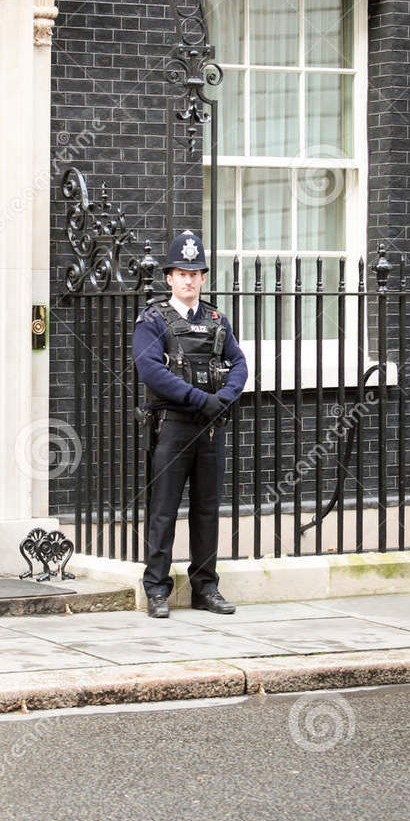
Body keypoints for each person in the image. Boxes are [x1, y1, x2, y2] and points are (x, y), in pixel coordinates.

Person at [133, 230, 248, 618]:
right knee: (163, 509)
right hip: (174, 426)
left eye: (195, 273)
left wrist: (225, 398)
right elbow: (150, 370)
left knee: (207, 510)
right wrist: (204, 400)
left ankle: (205, 587)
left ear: (202, 278)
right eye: (181, 272)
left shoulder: (217, 320)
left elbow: (240, 364)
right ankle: (157, 589)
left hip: (211, 428)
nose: (188, 279)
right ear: (169, 277)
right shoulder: (153, 320)